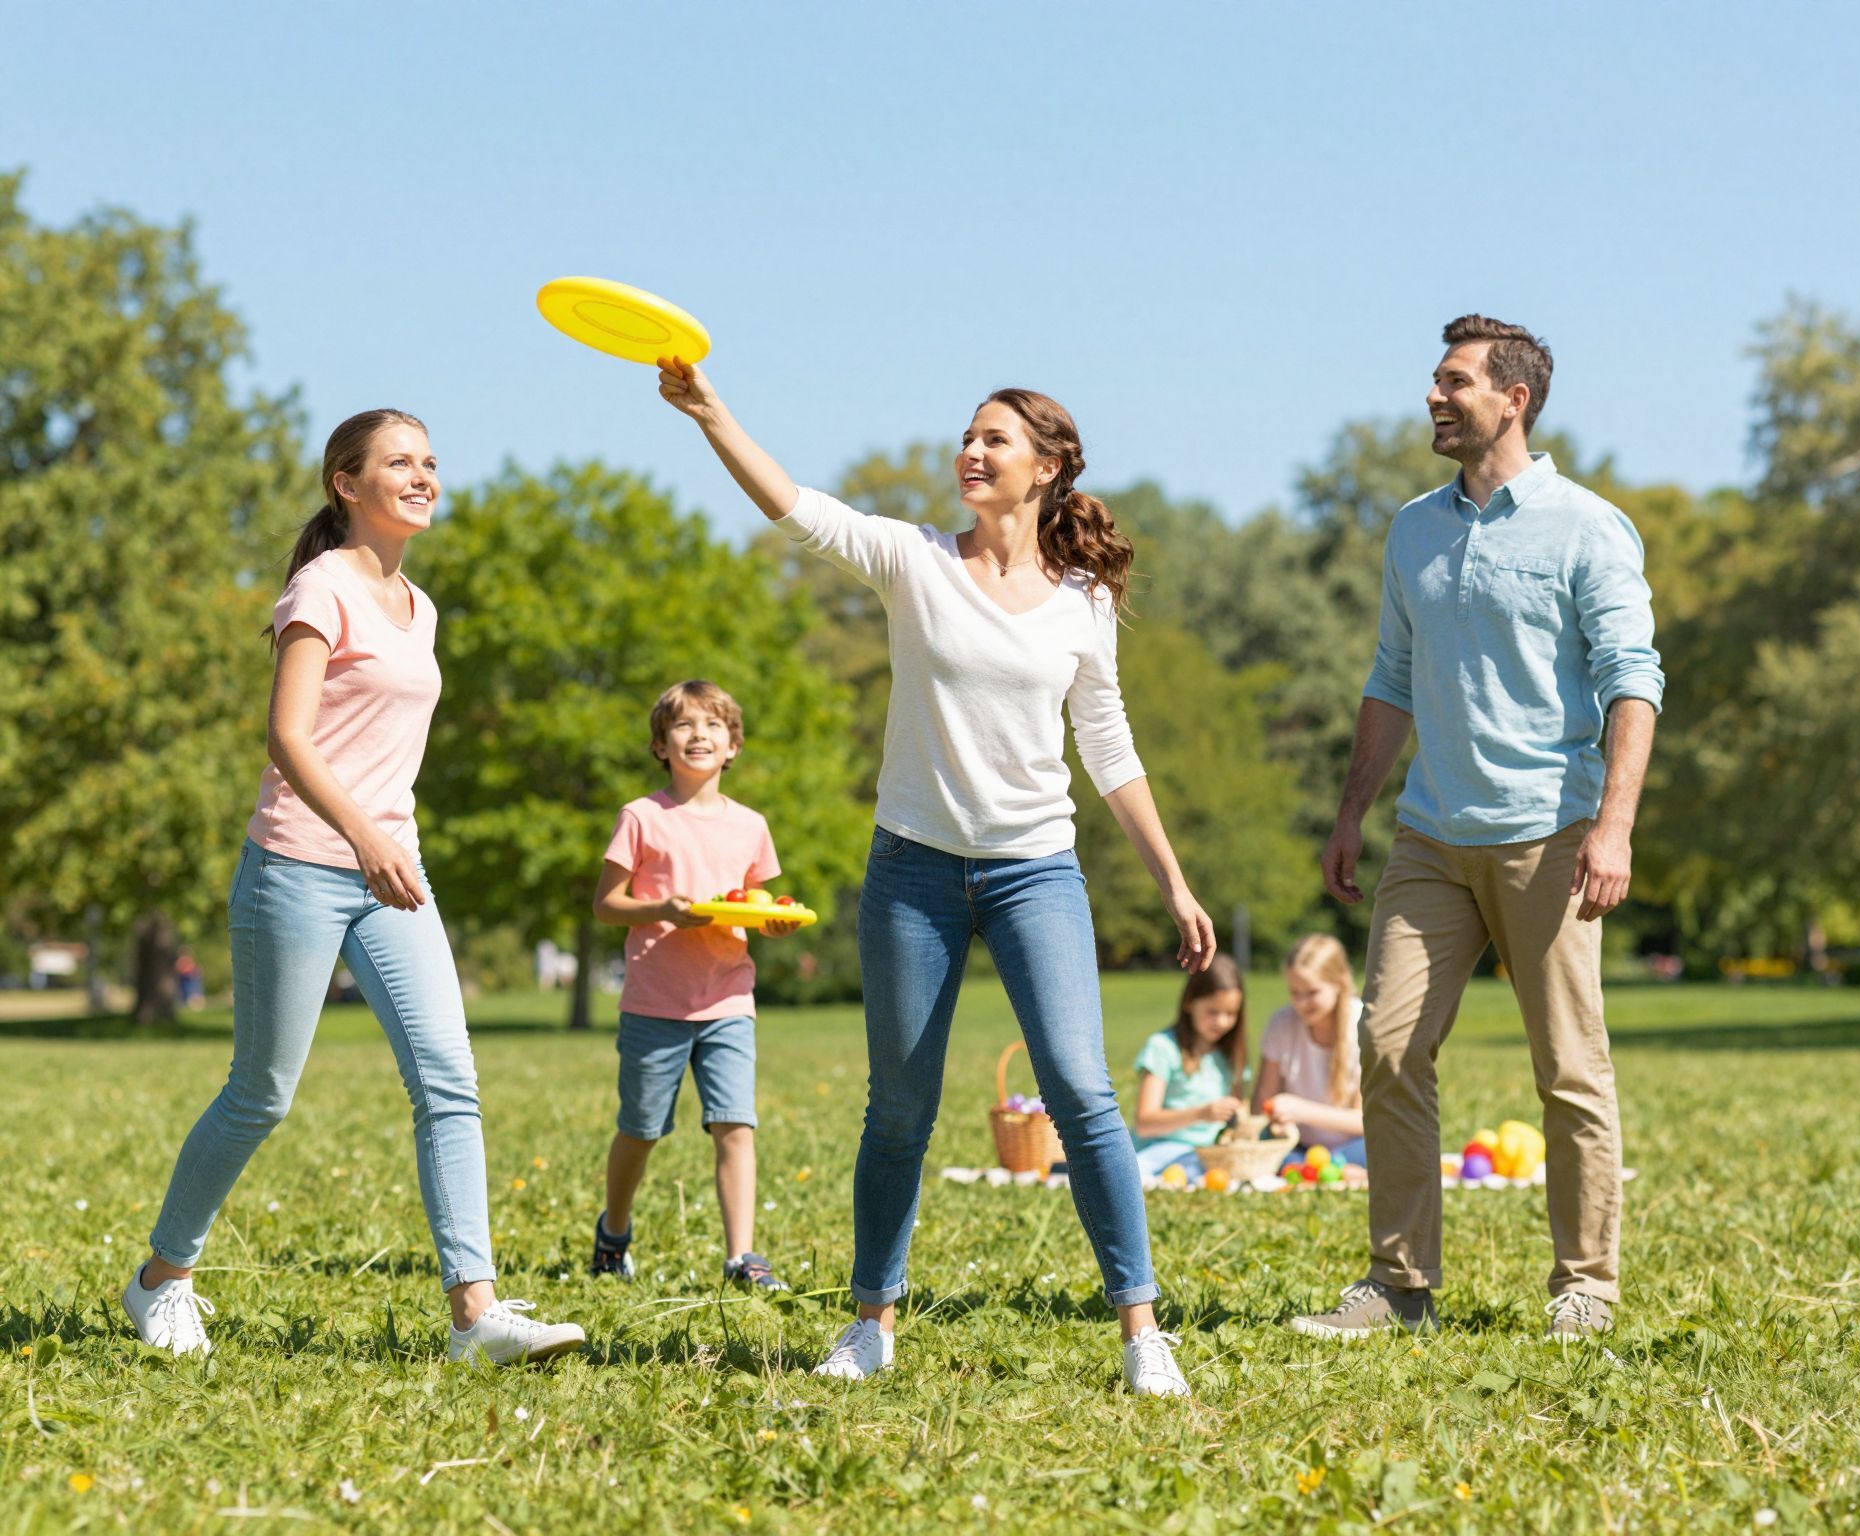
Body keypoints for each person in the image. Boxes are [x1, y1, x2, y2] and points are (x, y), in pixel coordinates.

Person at [656, 359, 1215, 1397]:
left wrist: (1173, 883)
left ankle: (1142, 1333)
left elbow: (1109, 749)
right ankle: (872, 1321)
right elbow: (796, 510)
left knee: (1084, 1092)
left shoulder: (1080, 603)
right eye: (967, 435)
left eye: (994, 440)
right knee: (899, 1110)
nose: (971, 451)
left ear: (1044, 467)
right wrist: (710, 413)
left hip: (1033, 870)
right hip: (911, 868)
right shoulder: (913, 561)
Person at [123, 410, 584, 1365]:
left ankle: (475, 1314)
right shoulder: (321, 588)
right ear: (347, 483)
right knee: (263, 1093)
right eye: (400, 463)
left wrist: (387, 842)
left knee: (449, 1080)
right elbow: (287, 736)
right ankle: (161, 1280)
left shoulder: (422, 607)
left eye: (430, 463)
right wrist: (363, 834)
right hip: (297, 866)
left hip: (391, 873)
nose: (423, 477)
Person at [1296, 315, 1663, 1343]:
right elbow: (1390, 677)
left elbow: (1632, 680)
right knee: (1386, 1043)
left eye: (1452, 381)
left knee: (1568, 1067)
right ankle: (1399, 1285)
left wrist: (1613, 826)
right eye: (1432, 378)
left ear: (1514, 400)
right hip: (1428, 836)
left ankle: (1582, 1284)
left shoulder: (1587, 527)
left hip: (1549, 831)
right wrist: (1351, 809)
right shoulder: (1412, 527)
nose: (1431, 395)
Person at [588, 678, 802, 1291]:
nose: (699, 735)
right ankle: (614, 1233)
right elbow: (607, 904)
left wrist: (772, 922)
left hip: (729, 998)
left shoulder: (751, 825)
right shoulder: (642, 817)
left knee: (736, 1124)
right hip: (657, 1001)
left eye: (713, 725)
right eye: (684, 725)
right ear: (661, 745)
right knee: (641, 1129)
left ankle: (742, 1257)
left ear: (732, 745)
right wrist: (663, 909)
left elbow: (756, 901)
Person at [1129, 957, 1247, 1180]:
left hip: (1210, 1154)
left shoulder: (1229, 1055)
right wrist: (1201, 1114)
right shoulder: (1163, 1048)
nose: (1222, 1022)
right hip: (1161, 1151)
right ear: (1189, 1003)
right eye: (1212, 1012)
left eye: (1231, 1014)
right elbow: (1145, 1123)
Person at [1251, 935, 1366, 1165]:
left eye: (1312, 993)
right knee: (1279, 1160)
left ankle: (1338, 1168)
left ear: (1339, 984)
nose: (1301, 1003)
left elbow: (1366, 1121)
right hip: (1299, 1146)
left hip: (1355, 1144)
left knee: (1381, 1152)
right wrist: (1276, 1119)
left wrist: (1301, 1110)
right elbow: (1260, 1106)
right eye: (1295, 992)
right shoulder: (1281, 1024)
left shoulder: (1363, 1024)